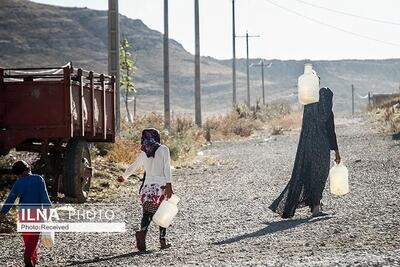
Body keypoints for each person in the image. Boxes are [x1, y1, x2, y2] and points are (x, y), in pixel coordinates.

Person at [269, 87, 341, 218]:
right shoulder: (328, 113)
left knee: (308, 175)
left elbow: (305, 130)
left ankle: (314, 205)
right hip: (322, 148)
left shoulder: (310, 108)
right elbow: (331, 132)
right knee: (320, 177)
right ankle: (316, 208)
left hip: (307, 147)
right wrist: (336, 152)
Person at [117, 128, 173, 252]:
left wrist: (124, 177)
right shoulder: (163, 149)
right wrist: (169, 185)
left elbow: (134, 166)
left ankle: (142, 233)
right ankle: (163, 240)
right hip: (160, 187)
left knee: (146, 214)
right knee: (162, 213)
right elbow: (167, 168)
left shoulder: (145, 152)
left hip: (147, 188)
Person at [0, 160, 52, 267]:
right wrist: (48, 211)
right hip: (36, 213)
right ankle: (27, 257)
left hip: (23, 214)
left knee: (28, 238)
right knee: (34, 237)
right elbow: (44, 197)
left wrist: (3, 213)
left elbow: (10, 199)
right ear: (27, 168)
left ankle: (33, 260)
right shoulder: (38, 179)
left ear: (18, 173)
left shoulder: (18, 183)